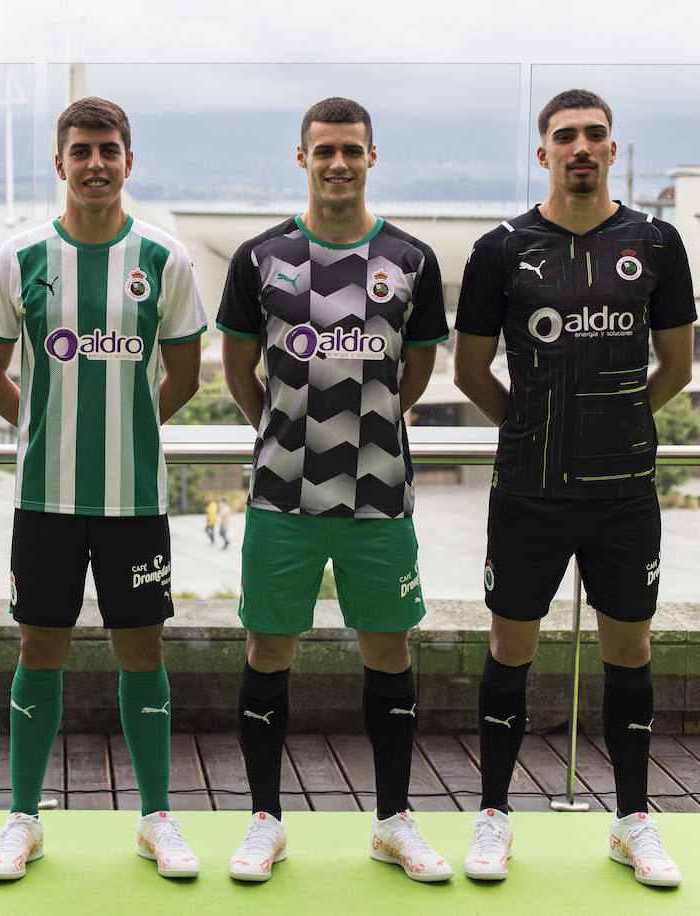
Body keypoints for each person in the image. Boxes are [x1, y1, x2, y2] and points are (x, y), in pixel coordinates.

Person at [454, 89, 695, 887]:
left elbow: (678, 368)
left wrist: (616, 419)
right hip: (529, 489)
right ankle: (493, 816)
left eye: (595, 135)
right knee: (510, 649)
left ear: (612, 150)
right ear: (544, 153)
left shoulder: (656, 243)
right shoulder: (502, 248)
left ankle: (632, 821)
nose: (581, 147)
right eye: (566, 137)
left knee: (630, 650)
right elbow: (468, 370)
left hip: (623, 490)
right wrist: (530, 429)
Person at [0, 97, 206, 881]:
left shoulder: (165, 259)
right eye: (81, 150)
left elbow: (181, 376)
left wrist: (130, 425)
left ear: (128, 161)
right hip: (45, 499)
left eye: (109, 149)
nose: (96, 162)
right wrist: (45, 428)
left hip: (135, 499)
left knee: (142, 648)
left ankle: (156, 819)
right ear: (60, 161)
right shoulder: (22, 255)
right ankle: (23, 818)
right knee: (42, 647)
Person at [218, 97, 451, 883]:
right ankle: (264, 823)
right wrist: (286, 434)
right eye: (325, 151)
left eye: (352, 150)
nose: (339, 163)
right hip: (282, 495)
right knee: (267, 648)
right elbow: (239, 369)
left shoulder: (412, 258)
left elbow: (416, 372)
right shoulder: (260, 256)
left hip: (381, 494)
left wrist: (375, 426)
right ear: (303, 157)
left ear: (372, 157)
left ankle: (391, 821)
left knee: (388, 647)